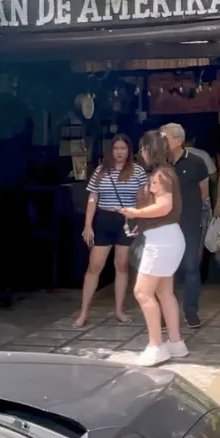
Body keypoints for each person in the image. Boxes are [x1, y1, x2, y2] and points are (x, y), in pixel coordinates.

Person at [119, 132, 188, 366]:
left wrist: (136, 213)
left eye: (142, 148)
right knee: (164, 292)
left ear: (150, 149)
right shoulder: (167, 172)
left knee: (142, 292)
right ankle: (176, 343)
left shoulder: (160, 174)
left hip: (160, 242)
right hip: (167, 237)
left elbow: (164, 206)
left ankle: (156, 346)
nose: (140, 153)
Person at [75, 135, 147, 328]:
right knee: (94, 267)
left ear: (129, 151)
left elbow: (142, 199)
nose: (120, 152)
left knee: (122, 267)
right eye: (116, 148)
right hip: (105, 220)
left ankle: (119, 310)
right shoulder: (101, 171)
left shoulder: (138, 171)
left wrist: (140, 219)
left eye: (123, 148)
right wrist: (88, 225)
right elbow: (92, 199)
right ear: (111, 151)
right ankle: (83, 312)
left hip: (127, 220)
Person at [162, 123, 209, 329]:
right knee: (165, 269)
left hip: (189, 221)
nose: (161, 141)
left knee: (191, 268)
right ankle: (166, 312)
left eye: (165, 137)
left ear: (178, 140)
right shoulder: (160, 164)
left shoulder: (197, 162)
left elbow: (204, 193)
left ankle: (191, 312)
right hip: (164, 224)